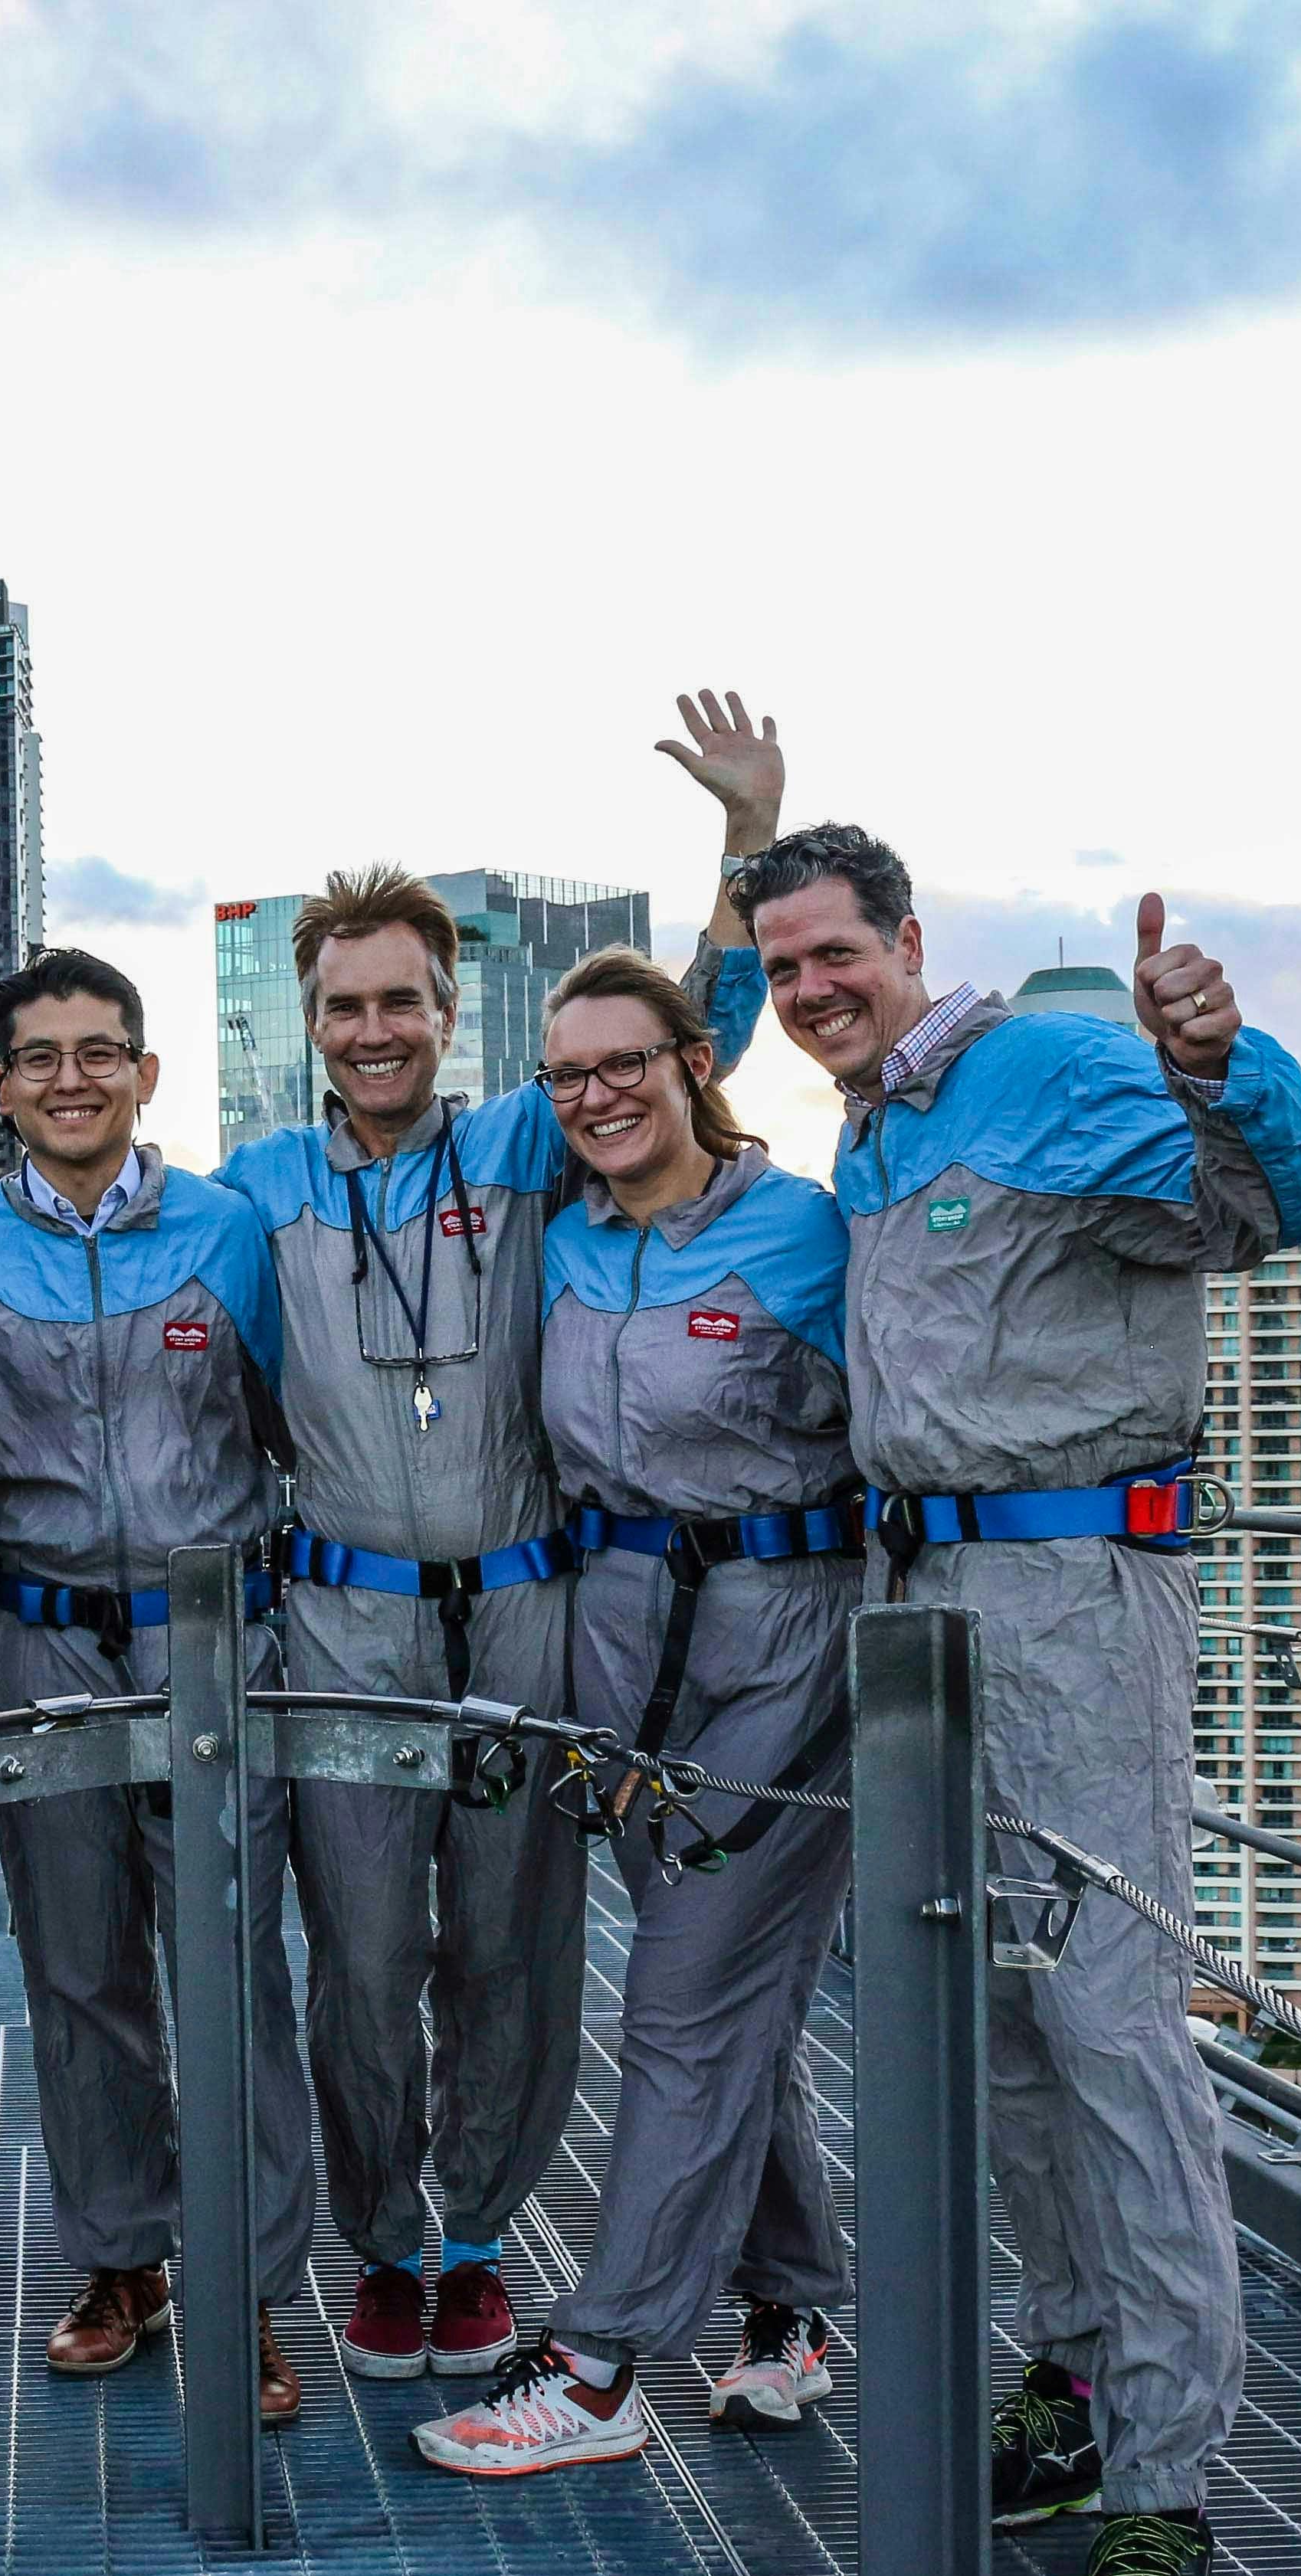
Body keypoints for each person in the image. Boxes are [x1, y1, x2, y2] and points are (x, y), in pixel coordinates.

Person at [744, 813, 1301, 2576]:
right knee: (994, 2029)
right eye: (784, 968)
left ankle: (1167, 2490)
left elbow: (1269, 1207)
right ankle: (1074, 2379)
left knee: (1109, 2027)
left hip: (1075, 1597)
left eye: (836, 953)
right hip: (916, 1599)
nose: (813, 989)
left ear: (909, 939)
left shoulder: (1057, 1065)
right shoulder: (878, 1128)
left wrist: (1218, 1056)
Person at [217, 865, 762, 2381]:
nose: (374, 1030)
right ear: (310, 1025)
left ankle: (476, 2241)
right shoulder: (263, 1184)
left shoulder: (525, 1142)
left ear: (452, 1013)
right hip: (346, 1620)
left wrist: (745, 845)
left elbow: (688, 1032)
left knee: (513, 1949)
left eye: (401, 1000)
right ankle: (383, 2241)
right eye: (345, 1006)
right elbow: (89, 1227)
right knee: (363, 1952)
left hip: (525, 1607)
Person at [411, 949, 860, 2479]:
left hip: (783, 1641)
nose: (598, 1094)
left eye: (627, 1062)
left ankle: (602, 2364)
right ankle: (791, 2308)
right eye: (568, 1074)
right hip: (614, 1644)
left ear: (693, 1062)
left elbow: (909, 1428)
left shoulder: (805, 1230)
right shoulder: (564, 1241)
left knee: (681, 1998)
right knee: (724, 1990)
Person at [0, 948, 314, 2421]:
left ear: (145, 1073)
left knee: (233, 1970)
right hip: (39, 1639)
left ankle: (249, 2286)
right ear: (0, 1087)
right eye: (43, 1057)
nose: (73, 1079)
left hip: (214, 1643)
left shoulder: (229, 1232)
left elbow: (295, 1430)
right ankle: (122, 2261)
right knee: (76, 1972)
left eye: (100, 1051)